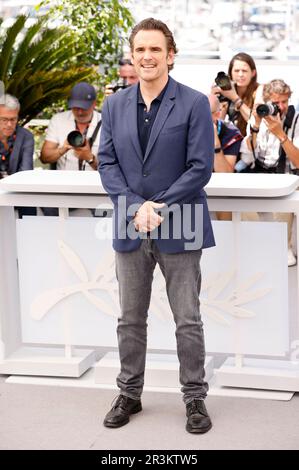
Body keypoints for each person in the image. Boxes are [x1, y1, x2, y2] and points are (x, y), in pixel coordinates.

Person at [99, 18, 215, 434]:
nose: (146, 56)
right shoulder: (113, 105)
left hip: (180, 221)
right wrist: (135, 207)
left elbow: (200, 168)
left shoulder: (194, 103)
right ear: (132, 55)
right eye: (140, 49)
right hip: (131, 223)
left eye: (155, 49)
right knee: (130, 318)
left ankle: (195, 399)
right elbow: (107, 163)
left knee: (188, 318)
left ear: (170, 55)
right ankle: (129, 392)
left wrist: (158, 206)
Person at [239, 79, 299, 266]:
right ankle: (256, 246)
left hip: (287, 176)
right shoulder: (258, 117)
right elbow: (248, 158)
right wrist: (255, 126)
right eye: (275, 103)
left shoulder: (295, 120)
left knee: (285, 199)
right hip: (261, 174)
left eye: (284, 102)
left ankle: (285, 244)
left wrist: (280, 134)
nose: (280, 107)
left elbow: (298, 161)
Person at [40, 82, 101, 171]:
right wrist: (62, 150)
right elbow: (44, 158)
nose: (79, 112)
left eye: (84, 108)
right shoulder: (58, 120)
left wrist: (89, 158)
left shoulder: (106, 123)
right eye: (75, 107)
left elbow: (112, 170)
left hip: (94, 181)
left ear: (94, 104)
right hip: (65, 181)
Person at [208, 94, 243, 221]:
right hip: (195, 187)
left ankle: (226, 240)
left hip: (221, 190)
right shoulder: (185, 128)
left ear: (217, 114)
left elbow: (225, 175)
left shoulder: (230, 132)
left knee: (225, 204)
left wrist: (216, 144)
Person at [0, 94, 35, 217]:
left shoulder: (26, 137)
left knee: (29, 201)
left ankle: (29, 233)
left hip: (18, 191)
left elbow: (26, 173)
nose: (9, 124)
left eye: (13, 119)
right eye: (4, 119)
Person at [211, 52, 262, 136]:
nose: (240, 74)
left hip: (252, 142)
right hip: (232, 143)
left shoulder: (259, 90)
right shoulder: (226, 91)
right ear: (230, 73)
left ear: (253, 73)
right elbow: (218, 128)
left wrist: (235, 98)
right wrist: (215, 101)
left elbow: (255, 122)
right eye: (236, 71)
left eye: (244, 71)